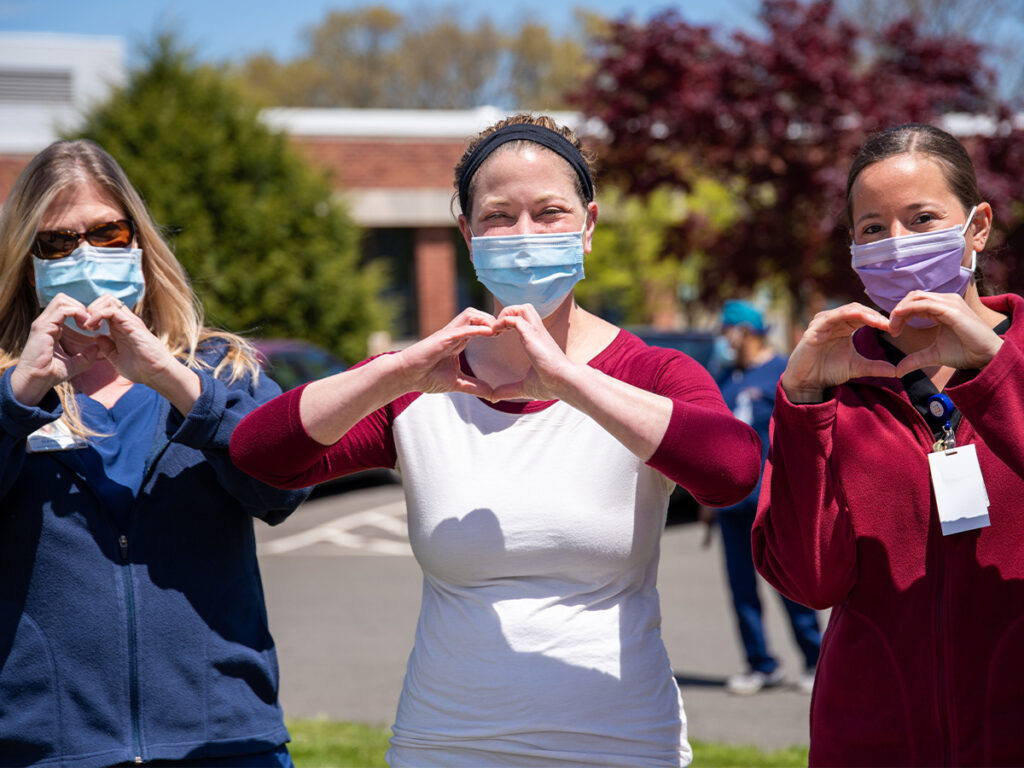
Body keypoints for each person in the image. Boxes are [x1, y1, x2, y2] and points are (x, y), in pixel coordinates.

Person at [231, 114, 762, 767]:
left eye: (549, 212)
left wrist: (570, 381)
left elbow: (732, 470)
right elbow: (261, 456)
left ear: (589, 227)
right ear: (467, 234)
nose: (525, 235)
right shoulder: (422, 385)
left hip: (621, 743)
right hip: (444, 743)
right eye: (499, 217)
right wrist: (394, 371)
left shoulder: (651, 374)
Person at [0, 139, 309, 766]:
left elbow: (282, 490)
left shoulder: (221, 370)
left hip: (224, 743)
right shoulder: (8, 388)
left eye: (108, 233)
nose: (85, 254)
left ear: (140, 243)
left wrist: (172, 379)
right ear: (26, 262)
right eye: (58, 242)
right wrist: (19, 394)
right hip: (47, 750)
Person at [752, 123, 1024, 766]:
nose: (897, 246)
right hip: (869, 742)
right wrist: (805, 405)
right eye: (872, 229)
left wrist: (995, 371)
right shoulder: (835, 376)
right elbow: (809, 580)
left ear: (976, 227)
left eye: (922, 218)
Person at [707, 300, 820, 696]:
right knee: (741, 589)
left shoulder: (782, 372)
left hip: (773, 503)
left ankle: (814, 660)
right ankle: (760, 664)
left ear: (745, 331)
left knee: (790, 585)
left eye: (727, 330)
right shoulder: (725, 376)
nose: (723, 339)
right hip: (731, 504)